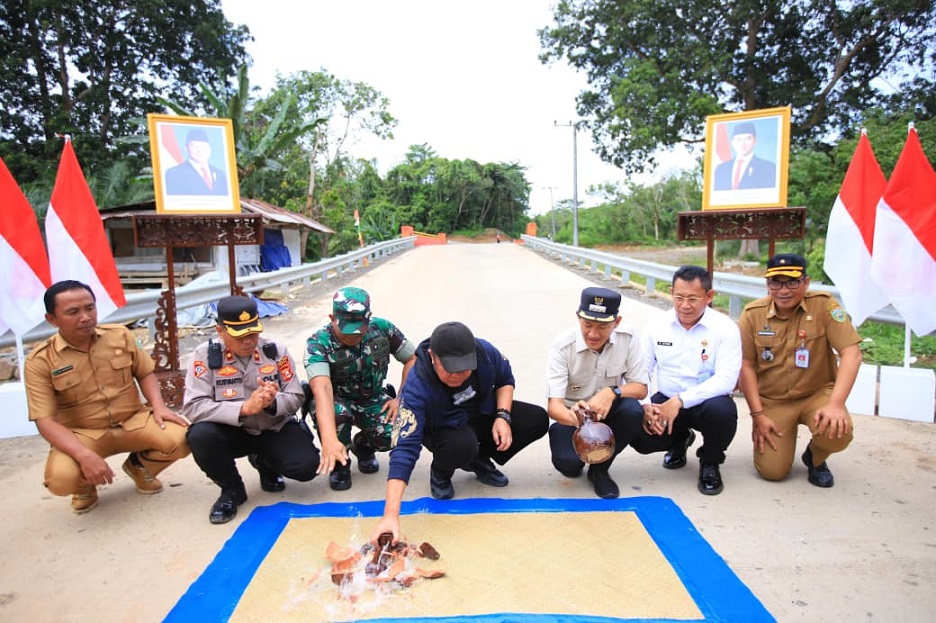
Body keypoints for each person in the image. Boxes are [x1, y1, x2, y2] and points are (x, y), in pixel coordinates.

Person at [370, 321, 548, 542]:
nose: (458, 375)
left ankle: (479, 459)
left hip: (479, 414)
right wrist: (390, 515)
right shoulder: (417, 385)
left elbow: (505, 380)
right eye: (450, 368)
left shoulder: (484, 353)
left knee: (537, 419)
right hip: (443, 428)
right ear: (433, 356)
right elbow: (404, 449)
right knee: (463, 445)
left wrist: (502, 416)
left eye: (465, 368)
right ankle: (441, 472)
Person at [24, 280, 190, 514]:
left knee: (184, 437)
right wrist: (83, 455)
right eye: (73, 312)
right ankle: (84, 487)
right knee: (60, 479)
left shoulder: (119, 335)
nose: (85, 317)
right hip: (83, 433)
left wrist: (159, 406)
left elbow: (145, 373)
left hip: (133, 420)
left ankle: (140, 468)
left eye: (89, 308)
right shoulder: (40, 361)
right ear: (52, 319)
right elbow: (45, 421)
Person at [182, 295, 319, 524]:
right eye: (240, 335)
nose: (248, 341)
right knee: (200, 436)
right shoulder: (204, 356)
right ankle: (231, 490)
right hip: (231, 432)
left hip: (272, 426)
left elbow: (296, 395)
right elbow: (193, 406)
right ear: (220, 331)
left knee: (307, 466)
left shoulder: (275, 351)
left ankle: (264, 463)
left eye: (253, 332)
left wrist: (272, 402)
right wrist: (244, 408)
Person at [737, 253, 860, 488]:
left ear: (806, 282)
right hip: (774, 400)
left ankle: (815, 457)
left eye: (792, 282)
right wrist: (758, 415)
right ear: (767, 284)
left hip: (816, 394)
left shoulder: (824, 305)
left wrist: (835, 404)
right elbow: (746, 365)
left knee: (837, 431)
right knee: (772, 472)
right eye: (776, 283)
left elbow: (852, 354)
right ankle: (786, 448)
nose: (783, 290)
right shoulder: (753, 314)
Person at [637, 266, 741, 495]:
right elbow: (641, 371)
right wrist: (645, 405)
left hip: (707, 400)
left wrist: (681, 400)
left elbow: (726, 379)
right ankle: (680, 439)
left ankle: (710, 462)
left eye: (693, 299)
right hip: (665, 398)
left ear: (709, 296)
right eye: (679, 297)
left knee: (722, 414)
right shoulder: (656, 325)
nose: (685, 305)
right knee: (639, 431)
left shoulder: (725, 328)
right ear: (671, 292)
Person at [303, 287, 416, 491]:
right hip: (337, 401)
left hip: (372, 399)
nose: (353, 335)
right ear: (332, 318)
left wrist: (402, 397)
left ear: (368, 318)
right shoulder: (318, 343)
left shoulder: (383, 329)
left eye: (359, 328)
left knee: (399, 431)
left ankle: (363, 446)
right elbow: (323, 391)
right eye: (347, 328)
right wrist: (328, 440)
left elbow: (413, 359)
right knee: (338, 414)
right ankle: (340, 461)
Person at [545, 287, 649, 499]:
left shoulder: (628, 339)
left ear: (616, 322)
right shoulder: (563, 346)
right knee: (569, 465)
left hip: (608, 413)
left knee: (632, 410)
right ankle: (583, 458)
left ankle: (600, 470)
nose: (593, 334)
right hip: (572, 418)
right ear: (578, 317)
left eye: (603, 326)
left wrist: (613, 392)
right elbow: (554, 406)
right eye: (587, 325)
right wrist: (579, 421)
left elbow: (640, 388)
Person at [713, 122, 777, 191]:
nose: (743, 143)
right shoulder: (721, 169)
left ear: (755, 141)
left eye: (747, 139)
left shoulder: (768, 168)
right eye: (738, 139)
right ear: (732, 143)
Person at [164, 128, 228, 196]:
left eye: (203, 147)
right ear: (185, 148)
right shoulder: (174, 173)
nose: (200, 150)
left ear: (209, 150)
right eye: (195, 146)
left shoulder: (220, 174)